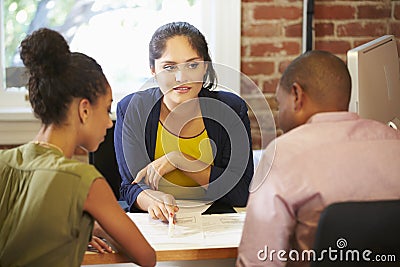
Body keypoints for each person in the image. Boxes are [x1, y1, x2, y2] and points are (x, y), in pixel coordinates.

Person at [0, 28, 156, 267]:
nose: (108, 122)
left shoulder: (4, 162)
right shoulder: (85, 181)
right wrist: (99, 227)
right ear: (84, 109)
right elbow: (146, 257)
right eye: (106, 109)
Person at [237, 50, 400, 267]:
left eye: (279, 104)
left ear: (296, 95)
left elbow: (259, 261)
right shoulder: (393, 140)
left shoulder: (284, 154)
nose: (279, 114)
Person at [114, 21, 254, 222]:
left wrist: (181, 160)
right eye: (169, 67)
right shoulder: (132, 109)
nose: (181, 77)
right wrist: (154, 200)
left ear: (205, 67)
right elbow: (131, 186)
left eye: (192, 65)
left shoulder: (232, 110)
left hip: (216, 223)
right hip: (155, 224)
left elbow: (241, 193)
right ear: (153, 70)